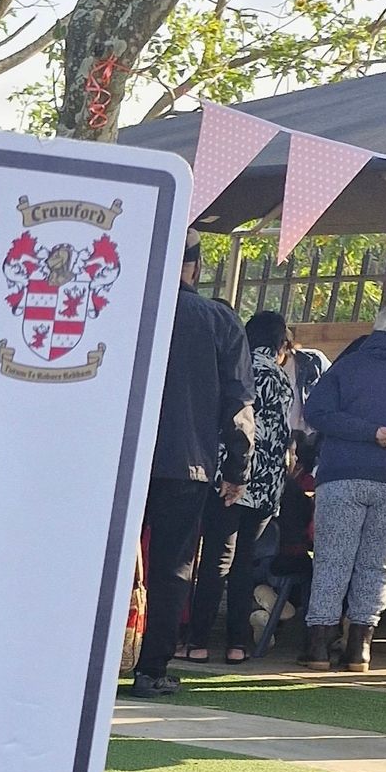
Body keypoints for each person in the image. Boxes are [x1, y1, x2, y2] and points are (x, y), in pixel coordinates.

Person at [132, 239, 253, 697]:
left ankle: (92, 657)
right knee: (172, 569)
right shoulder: (219, 319)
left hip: (123, 461)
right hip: (187, 463)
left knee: (107, 563)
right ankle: (151, 670)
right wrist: (237, 469)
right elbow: (238, 404)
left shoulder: (128, 308)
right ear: (196, 266)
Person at [299, 296, 386, 673]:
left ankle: (318, 646)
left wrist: (367, 431)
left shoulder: (350, 364)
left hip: (341, 475)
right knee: (377, 565)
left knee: (333, 559)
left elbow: (316, 412)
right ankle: (360, 648)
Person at [187, 310, 293, 664]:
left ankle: (198, 642)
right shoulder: (283, 379)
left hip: (231, 479)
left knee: (216, 560)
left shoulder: (238, 369)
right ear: (280, 345)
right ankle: (237, 644)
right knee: (245, 563)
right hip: (266, 489)